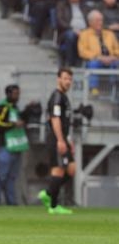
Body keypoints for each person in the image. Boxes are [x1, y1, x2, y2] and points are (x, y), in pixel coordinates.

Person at [37, 68, 75, 214]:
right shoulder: (57, 97)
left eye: (70, 79)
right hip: (56, 138)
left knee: (71, 170)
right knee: (58, 170)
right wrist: (60, 140)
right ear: (58, 79)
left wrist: (68, 140)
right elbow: (55, 119)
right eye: (65, 78)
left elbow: (65, 122)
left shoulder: (64, 97)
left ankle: (47, 193)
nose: (68, 82)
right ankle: (53, 205)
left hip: (63, 138)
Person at [0, 85, 29, 205]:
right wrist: (13, 125)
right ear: (8, 94)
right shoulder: (2, 107)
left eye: (18, 93)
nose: (17, 96)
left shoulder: (15, 108)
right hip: (4, 146)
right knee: (2, 175)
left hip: (16, 147)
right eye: (15, 94)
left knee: (12, 177)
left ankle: (11, 202)